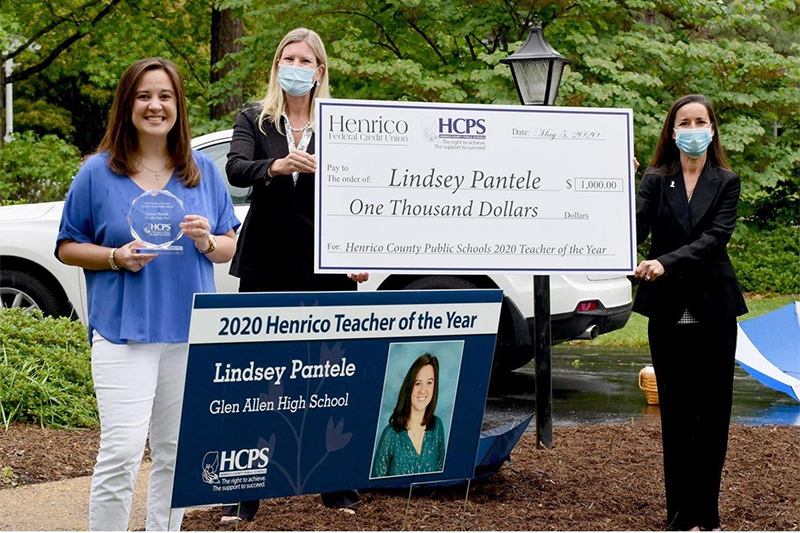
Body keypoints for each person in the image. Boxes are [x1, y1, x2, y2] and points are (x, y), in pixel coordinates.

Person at [55, 57, 240, 531]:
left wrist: (206, 241)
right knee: (120, 452)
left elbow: (229, 245)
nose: (155, 105)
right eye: (144, 96)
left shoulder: (203, 172)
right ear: (127, 105)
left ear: (178, 105)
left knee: (176, 453)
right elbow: (68, 245)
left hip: (188, 332)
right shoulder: (97, 173)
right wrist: (115, 257)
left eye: (165, 96)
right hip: (124, 334)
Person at [221, 27, 367, 523]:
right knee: (260, 376)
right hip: (265, 265)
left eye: (306, 59)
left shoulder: (343, 124)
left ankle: (334, 486)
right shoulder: (252, 118)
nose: (296, 66)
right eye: (289, 57)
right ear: (277, 65)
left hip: (325, 268)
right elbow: (236, 169)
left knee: (328, 374)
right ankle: (246, 492)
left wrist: (358, 250)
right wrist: (278, 165)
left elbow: (364, 194)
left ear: (320, 69)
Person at [633, 94, 747, 531]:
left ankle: (708, 515)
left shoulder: (727, 180)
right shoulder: (655, 179)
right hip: (667, 311)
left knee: (713, 413)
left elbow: (715, 239)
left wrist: (665, 262)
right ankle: (680, 518)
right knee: (676, 414)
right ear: (672, 130)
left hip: (714, 309)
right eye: (686, 121)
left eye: (701, 120)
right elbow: (634, 228)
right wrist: (620, 187)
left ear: (712, 128)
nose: (694, 127)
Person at [371, 354, 445, 478]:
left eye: (429, 383)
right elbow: (375, 488)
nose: (423, 390)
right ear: (409, 386)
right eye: (417, 383)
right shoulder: (391, 434)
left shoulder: (437, 427)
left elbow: (440, 480)